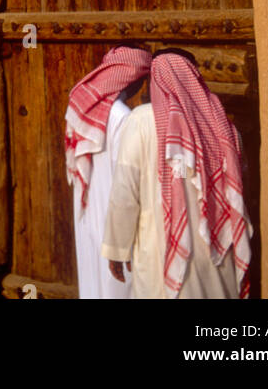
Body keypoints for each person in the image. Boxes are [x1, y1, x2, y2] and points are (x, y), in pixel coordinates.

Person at [101, 50, 252, 299]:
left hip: (160, 249)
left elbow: (125, 191)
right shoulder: (223, 127)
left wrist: (118, 248)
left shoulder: (141, 121)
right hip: (216, 253)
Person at [64, 45, 151, 298]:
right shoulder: (123, 117)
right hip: (114, 215)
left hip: (90, 209)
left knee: (94, 279)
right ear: (133, 79)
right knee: (117, 285)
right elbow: (128, 177)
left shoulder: (83, 108)